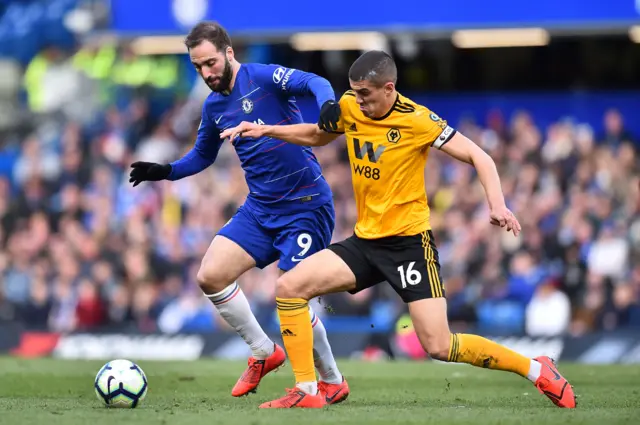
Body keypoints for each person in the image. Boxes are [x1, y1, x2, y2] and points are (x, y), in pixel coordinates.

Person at [221, 50, 577, 409]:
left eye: (365, 94)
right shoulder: (350, 105)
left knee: (439, 345)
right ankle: (308, 390)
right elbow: (317, 134)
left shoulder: (418, 120)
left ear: (389, 88)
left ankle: (536, 368)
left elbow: (479, 156)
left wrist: (497, 204)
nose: (358, 101)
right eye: (354, 92)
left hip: (408, 245)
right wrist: (266, 129)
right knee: (289, 287)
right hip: (365, 242)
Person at [128, 21, 349, 403]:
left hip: (304, 205)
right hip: (260, 207)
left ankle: (328, 380)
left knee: (292, 292)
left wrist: (328, 106)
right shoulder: (214, 106)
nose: (206, 72)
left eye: (211, 62)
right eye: (198, 66)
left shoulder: (262, 77)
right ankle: (264, 351)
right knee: (210, 275)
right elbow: (202, 155)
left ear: (229, 53)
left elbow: (314, 81)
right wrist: (166, 171)